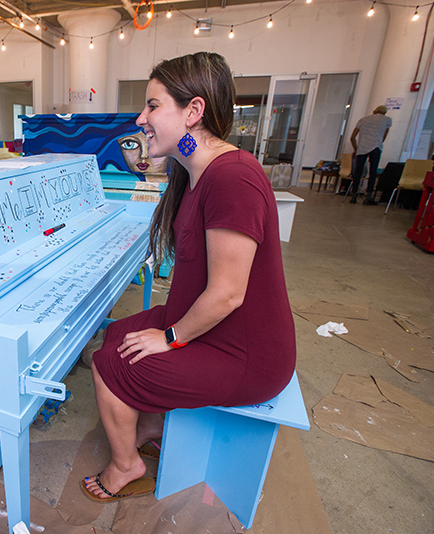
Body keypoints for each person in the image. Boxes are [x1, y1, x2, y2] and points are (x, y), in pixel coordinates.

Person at [81, 52, 296, 503]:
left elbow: (227, 294)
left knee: (111, 363)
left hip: (246, 352)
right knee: (118, 331)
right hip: (220, 330)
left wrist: (172, 337)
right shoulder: (197, 170)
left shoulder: (232, 178)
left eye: (153, 106)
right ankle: (153, 423)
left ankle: (128, 465)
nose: (141, 118)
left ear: (193, 112)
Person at [348, 105, 392, 205]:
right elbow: (383, 137)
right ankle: (369, 197)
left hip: (362, 148)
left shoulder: (363, 120)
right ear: (384, 113)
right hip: (376, 147)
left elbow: (352, 137)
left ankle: (354, 196)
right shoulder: (387, 120)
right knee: (372, 172)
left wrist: (356, 149)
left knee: (358, 172)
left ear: (373, 111)